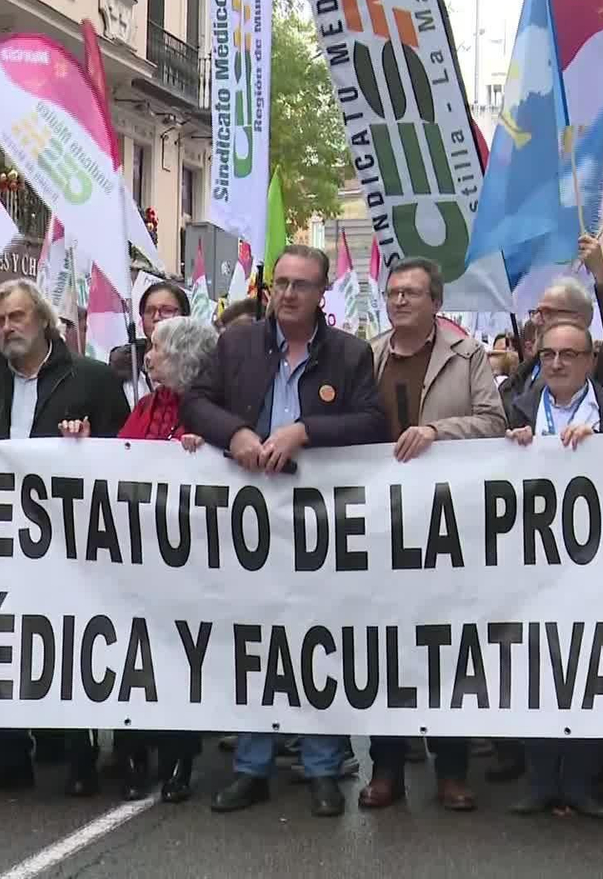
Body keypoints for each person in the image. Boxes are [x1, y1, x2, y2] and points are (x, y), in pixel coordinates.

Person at [183, 244, 388, 818]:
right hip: (249, 519)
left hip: (319, 521)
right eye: (282, 283)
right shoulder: (237, 344)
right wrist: (235, 434)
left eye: (302, 285)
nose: (289, 293)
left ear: (322, 294)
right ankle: (252, 767)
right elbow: (195, 403)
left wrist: (304, 431)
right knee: (256, 641)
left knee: (316, 639)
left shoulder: (348, 353)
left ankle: (322, 768)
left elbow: (372, 422)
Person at [0, 279, 130, 799]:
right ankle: (8, 757)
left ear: (43, 320)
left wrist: (87, 444)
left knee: (67, 643)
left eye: (17, 317)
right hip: (0, 537)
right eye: (0, 320)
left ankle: (80, 758)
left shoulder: (91, 378)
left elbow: (126, 453)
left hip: (70, 540)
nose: (8, 327)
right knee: (1, 644)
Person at [357, 257, 505, 813]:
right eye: (393, 292)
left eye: (411, 293)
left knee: (448, 647)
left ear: (436, 302)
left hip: (447, 523)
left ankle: (452, 770)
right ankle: (386, 769)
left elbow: (493, 421)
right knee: (385, 648)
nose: (399, 301)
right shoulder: (367, 356)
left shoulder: (467, 356)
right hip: (381, 523)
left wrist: (437, 432)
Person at [61, 315, 218, 803]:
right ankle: (132, 754)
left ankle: (180, 759)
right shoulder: (148, 406)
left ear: (185, 357)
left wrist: (205, 450)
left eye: (157, 350)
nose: (147, 358)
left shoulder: (212, 408)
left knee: (179, 656)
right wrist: (86, 445)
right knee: (136, 654)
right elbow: (119, 459)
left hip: (187, 556)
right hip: (135, 554)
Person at [503, 318, 603, 820]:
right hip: (531, 565)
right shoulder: (516, 407)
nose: (557, 363)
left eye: (569, 355)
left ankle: (581, 783)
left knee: (587, 672)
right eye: (548, 355)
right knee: (537, 672)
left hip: (595, 564)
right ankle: (541, 782)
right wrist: (508, 445)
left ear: (590, 361)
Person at [501, 235, 603, 415]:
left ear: (578, 319)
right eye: (536, 312)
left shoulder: (597, 367)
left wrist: (601, 273)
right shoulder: (523, 374)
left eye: (547, 312)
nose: (536, 320)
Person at [110, 281, 191, 405]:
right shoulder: (122, 364)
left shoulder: (199, 366)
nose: (157, 317)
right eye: (149, 311)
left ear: (184, 316)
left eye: (167, 310)